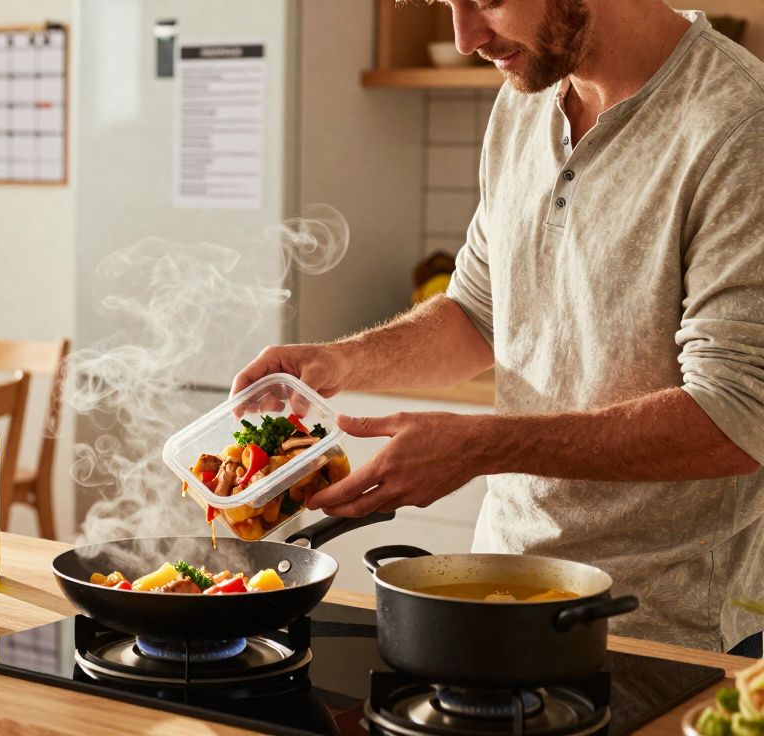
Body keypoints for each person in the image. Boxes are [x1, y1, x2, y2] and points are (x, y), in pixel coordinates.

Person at [236, 1, 764, 654]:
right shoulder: (527, 96)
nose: (465, 38)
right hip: (500, 592)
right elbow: (478, 311)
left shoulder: (739, 123)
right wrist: (342, 362)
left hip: (664, 628)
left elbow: (736, 416)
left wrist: (482, 444)